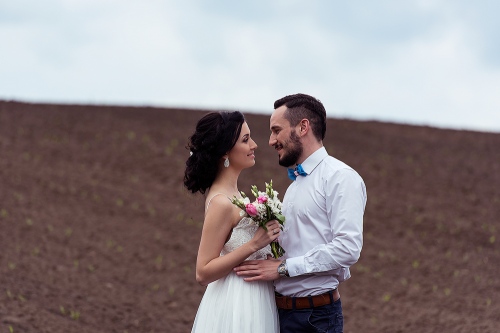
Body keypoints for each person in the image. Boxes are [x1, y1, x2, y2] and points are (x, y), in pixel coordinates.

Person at [234, 93, 367, 333]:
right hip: (281, 313)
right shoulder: (295, 185)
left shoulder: (340, 177)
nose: (271, 140)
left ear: (303, 127)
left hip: (315, 318)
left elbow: (348, 248)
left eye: (276, 130)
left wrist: (283, 268)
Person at [184, 111, 281, 333]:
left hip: (257, 299)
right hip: (237, 303)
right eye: (246, 140)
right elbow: (203, 271)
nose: (254, 145)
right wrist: (254, 244)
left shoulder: (235, 195)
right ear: (225, 152)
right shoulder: (221, 202)